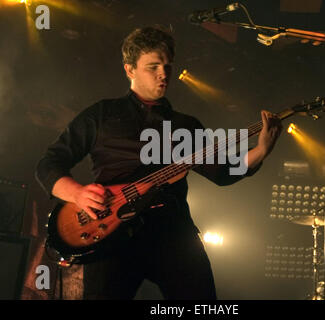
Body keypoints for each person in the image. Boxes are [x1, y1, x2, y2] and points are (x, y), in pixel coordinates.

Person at [35, 26, 283, 300]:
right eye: (153, 67)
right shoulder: (102, 114)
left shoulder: (185, 126)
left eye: (167, 66)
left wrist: (261, 150)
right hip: (110, 233)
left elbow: (222, 172)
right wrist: (78, 193)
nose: (164, 74)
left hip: (173, 232)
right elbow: (49, 164)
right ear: (130, 69)